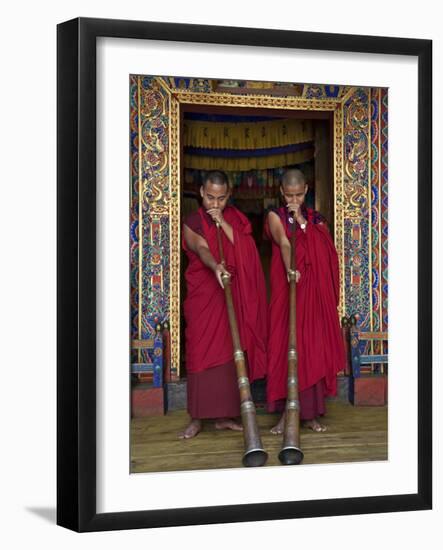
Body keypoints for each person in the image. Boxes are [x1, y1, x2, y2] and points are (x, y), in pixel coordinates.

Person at [179, 170, 268, 439]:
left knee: (231, 353)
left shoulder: (236, 220)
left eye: (220, 198)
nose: (214, 204)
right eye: (209, 198)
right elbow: (200, 248)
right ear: (201, 194)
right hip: (205, 296)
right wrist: (214, 266)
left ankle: (224, 416)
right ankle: (196, 417)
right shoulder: (192, 221)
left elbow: (248, 252)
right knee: (199, 349)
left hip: (232, 293)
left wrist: (225, 226)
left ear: (228, 195)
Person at [265, 168, 345, 433]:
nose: (294, 200)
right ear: (281, 192)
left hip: (311, 295)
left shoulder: (317, 220)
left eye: (299, 195)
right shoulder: (275, 216)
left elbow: (325, 253)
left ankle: (310, 414)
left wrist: (301, 222)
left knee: (310, 347)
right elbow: (284, 243)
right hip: (287, 289)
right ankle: (285, 414)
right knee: (284, 346)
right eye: (289, 195)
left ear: (306, 191)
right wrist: (290, 267)